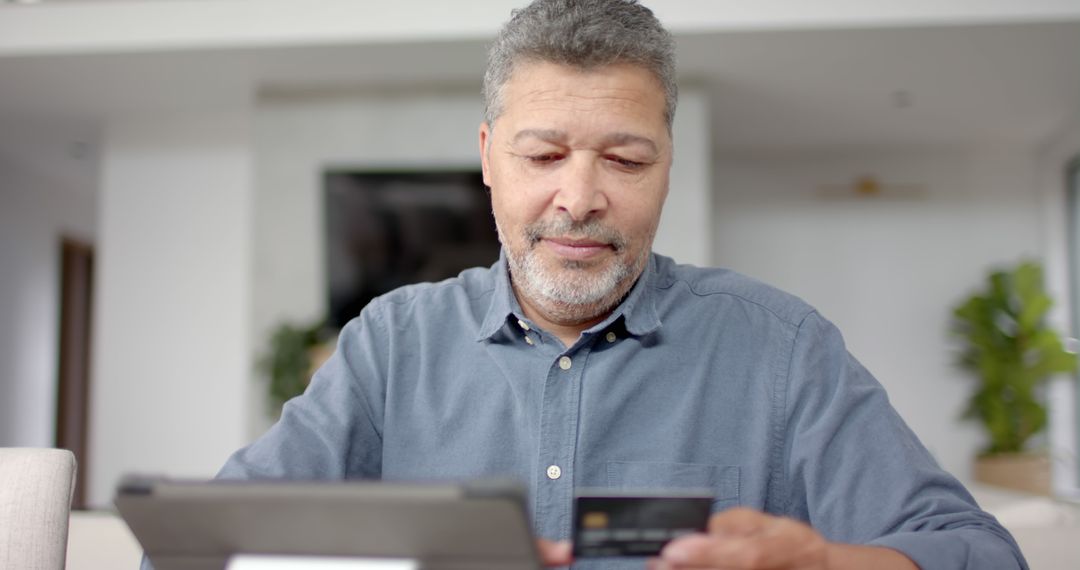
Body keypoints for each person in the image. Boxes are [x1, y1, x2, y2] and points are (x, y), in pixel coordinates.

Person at [145, 1, 1028, 568]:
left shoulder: (783, 349)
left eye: (625, 158)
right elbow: (195, 550)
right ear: (489, 159)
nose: (580, 197)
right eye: (543, 155)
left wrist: (830, 567)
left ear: (667, 167)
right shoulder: (391, 343)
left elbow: (979, 553)